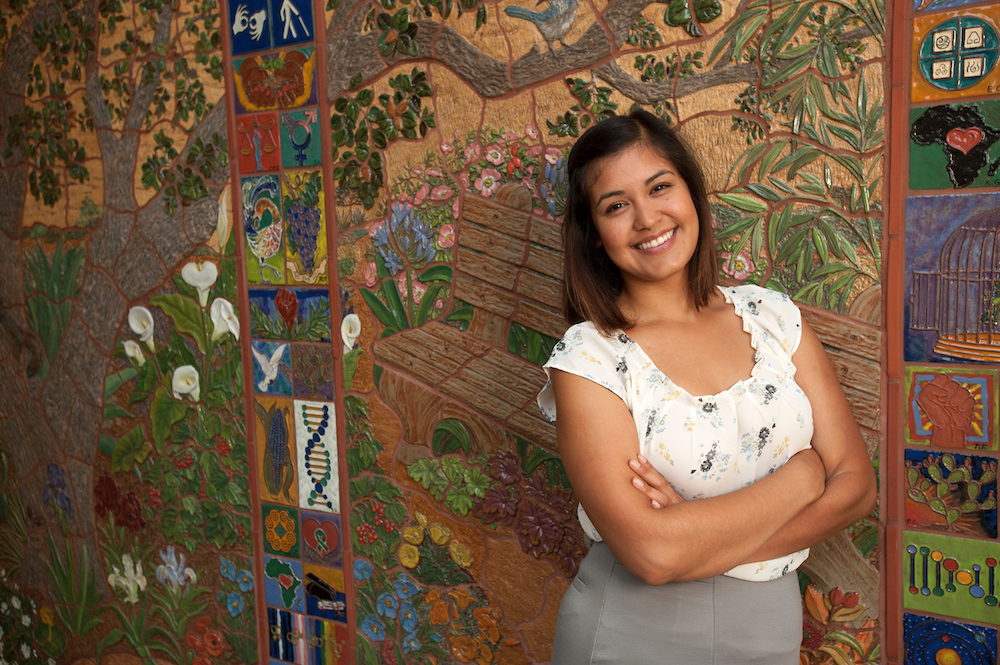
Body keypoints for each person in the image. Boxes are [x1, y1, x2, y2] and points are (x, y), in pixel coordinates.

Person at [536, 109, 877, 664]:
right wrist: (804, 475)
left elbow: (858, 487)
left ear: (691, 194)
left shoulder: (774, 320)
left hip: (768, 633)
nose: (647, 218)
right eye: (616, 206)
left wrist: (693, 543)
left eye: (660, 187)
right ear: (595, 236)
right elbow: (651, 555)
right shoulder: (589, 359)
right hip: (629, 634)